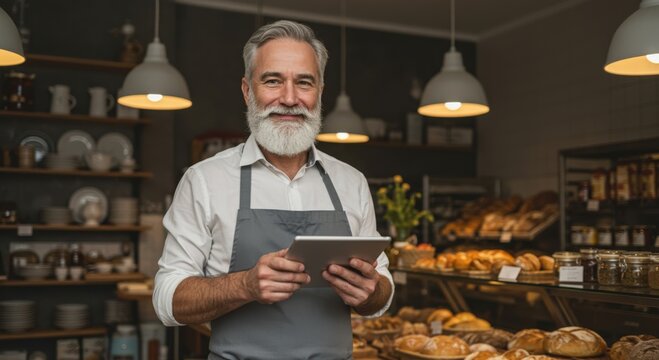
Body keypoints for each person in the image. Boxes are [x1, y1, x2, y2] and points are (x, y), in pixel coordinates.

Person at [153, 20, 394, 359]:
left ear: (320, 91)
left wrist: (371, 293)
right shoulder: (205, 180)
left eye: (304, 82)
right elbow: (167, 299)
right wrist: (245, 285)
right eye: (273, 80)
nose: (290, 98)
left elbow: (382, 288)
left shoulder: (350, 182)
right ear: (247, 90)